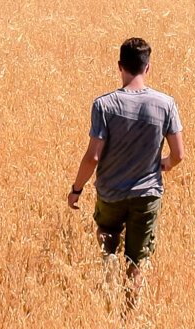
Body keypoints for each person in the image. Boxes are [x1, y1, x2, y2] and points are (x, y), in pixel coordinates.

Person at [67, 36, 184, 295]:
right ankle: (130, 318)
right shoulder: (166, 104)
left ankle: (108, 270)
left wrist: (76, 189)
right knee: (136, 262)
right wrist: (164, 164)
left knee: (106, 240)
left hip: (110, 193)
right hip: (146, 195)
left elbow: (92, 157)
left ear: (119, 66)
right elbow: (178, 154)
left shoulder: (104, 105)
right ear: (148, 67)